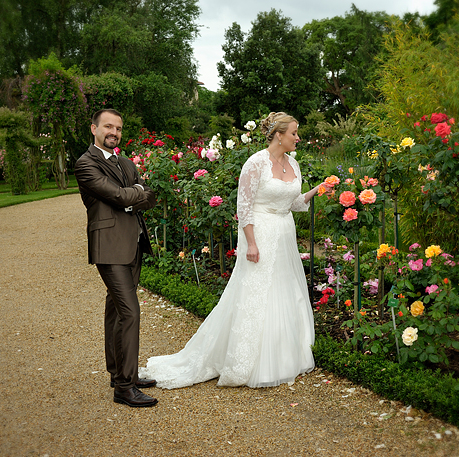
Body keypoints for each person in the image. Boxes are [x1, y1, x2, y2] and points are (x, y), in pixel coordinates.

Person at [139, 112, 330, 389]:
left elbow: (295, 202)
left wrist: (320, 189)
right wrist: (251, 243)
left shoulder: (294, 164)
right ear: (278, 135)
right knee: (256, 294)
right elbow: (244, 207)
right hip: (260, 234)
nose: (297, 138)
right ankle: (247, 361)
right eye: (294, 133)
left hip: (285, 235)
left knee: (284, 290)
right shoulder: (255, 163)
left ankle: (286, 356)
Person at [74, 109, 159, 407]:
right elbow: (120, 197)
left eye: (119, 128)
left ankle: (121, 373)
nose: (114, 132)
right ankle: (124, 388)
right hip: (109, 246)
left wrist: (131, 193)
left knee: (116, 311)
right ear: (94, 128)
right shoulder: (85, 164)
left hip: (133, 243)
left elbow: (148, 197)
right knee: (130, 312)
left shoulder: (124, 162)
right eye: (108, 126)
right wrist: (132, 193)